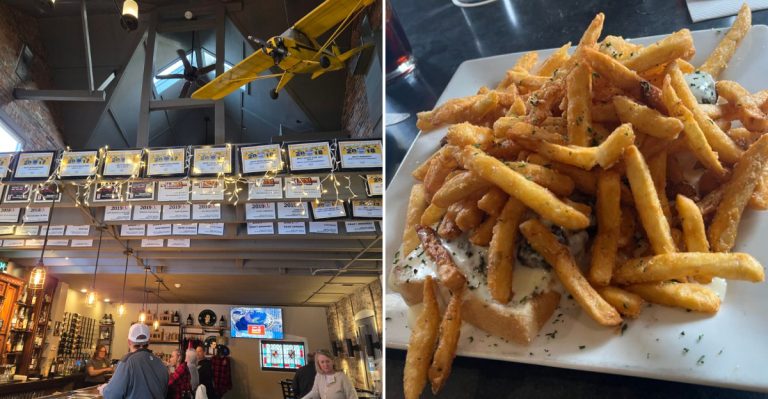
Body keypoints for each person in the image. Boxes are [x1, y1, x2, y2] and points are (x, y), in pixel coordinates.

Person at [99, 323, 169, 399]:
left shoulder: (127, 361)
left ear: (129, 342)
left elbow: (112, 395)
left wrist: (104, 390)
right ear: (149, 341)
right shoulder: (161, 363)